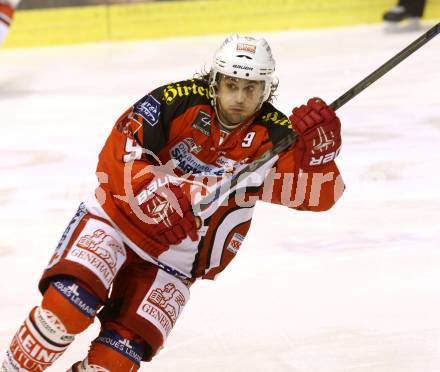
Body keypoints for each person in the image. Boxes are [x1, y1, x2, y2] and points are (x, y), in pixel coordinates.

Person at [1, 34, 345, 371]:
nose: (240, 98)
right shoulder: (177, 101)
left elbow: (318, 196)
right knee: (64, 309)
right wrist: (158, 197)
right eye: (231, 85)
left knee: (116, 359)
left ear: (266, 89)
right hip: (116, 222)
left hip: (176, 258)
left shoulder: (275, 136)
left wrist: (318, 158)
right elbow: (117, 152)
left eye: (251, 88)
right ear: (214, 82)